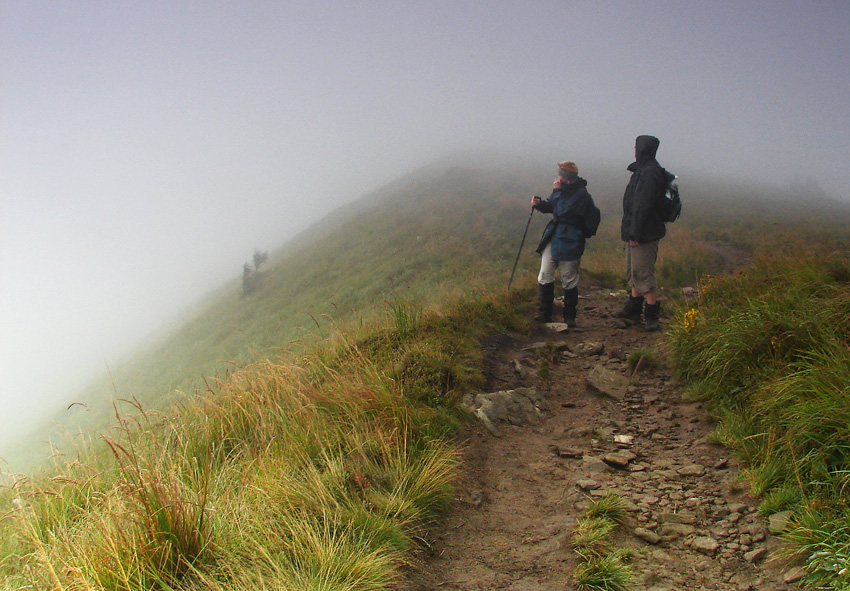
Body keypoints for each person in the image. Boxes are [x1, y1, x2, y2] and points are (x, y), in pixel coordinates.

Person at [531, 160, 597, 327]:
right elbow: (553, 206)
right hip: (554, 237)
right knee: (545, 274)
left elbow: (563, 211)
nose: (558, 178)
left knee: (569, 278)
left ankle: (569, 316)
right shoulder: (562, 190)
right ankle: (544, 312)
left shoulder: (581, 195)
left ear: (567, 177)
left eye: (560, 174)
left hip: (571, 238)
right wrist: (540, 205)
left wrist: (557, 191)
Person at [614, 135, 668, 331]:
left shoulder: (650, 173)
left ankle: (651, 315)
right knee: (635, 271)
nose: (634, 149)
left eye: (636, 146)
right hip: (639, 230)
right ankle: (633, 310)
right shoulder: (644, 170)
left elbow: (642, 205)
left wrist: (635, 233)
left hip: (645, 232)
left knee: (644, 273)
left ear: (643, 149)